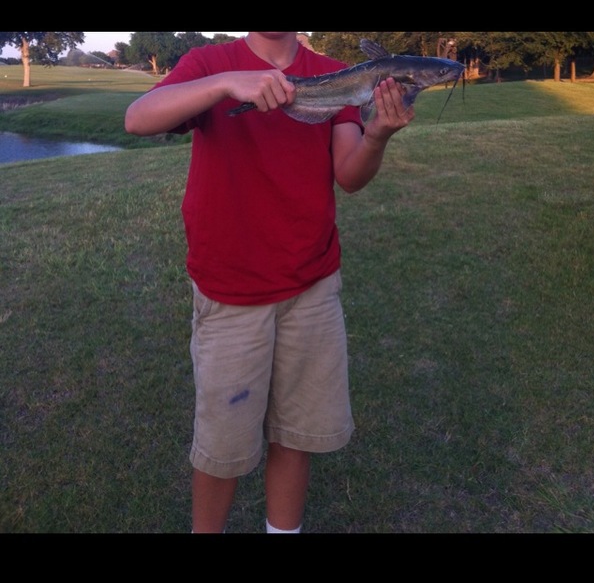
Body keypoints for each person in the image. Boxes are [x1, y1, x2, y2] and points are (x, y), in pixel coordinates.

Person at [124, 31, 414, 534]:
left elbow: (349, 176)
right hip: (232, 292)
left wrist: (377, 136)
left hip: (312, 286)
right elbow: (138, 119)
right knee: (222, 450)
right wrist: (227, 83)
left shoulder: (337, 74)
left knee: (295, 436)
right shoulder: (210, 62)